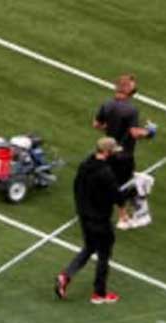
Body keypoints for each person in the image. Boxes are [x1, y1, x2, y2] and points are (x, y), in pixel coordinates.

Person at [55, 138, 146, 304]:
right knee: (104, 256)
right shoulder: (105, 173)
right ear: (106, 152)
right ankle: (100, 293)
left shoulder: (85, 165)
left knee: (89, 247)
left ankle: (66, 275)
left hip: (84, 215)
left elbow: (78, 187)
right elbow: (116, 197)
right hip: (100, 220)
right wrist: (134, 190)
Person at [93, 73, 157, 229]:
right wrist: (150, 132)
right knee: (125, 185)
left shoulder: (107, 104)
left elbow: (97, 124)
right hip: (124, 155)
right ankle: (134, 215)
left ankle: (124, 215)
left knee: (121, 182)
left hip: (110, 152)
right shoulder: (131, 109)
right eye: (133, 85)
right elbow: (135, 132)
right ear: (127, 88)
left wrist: (114, 128)